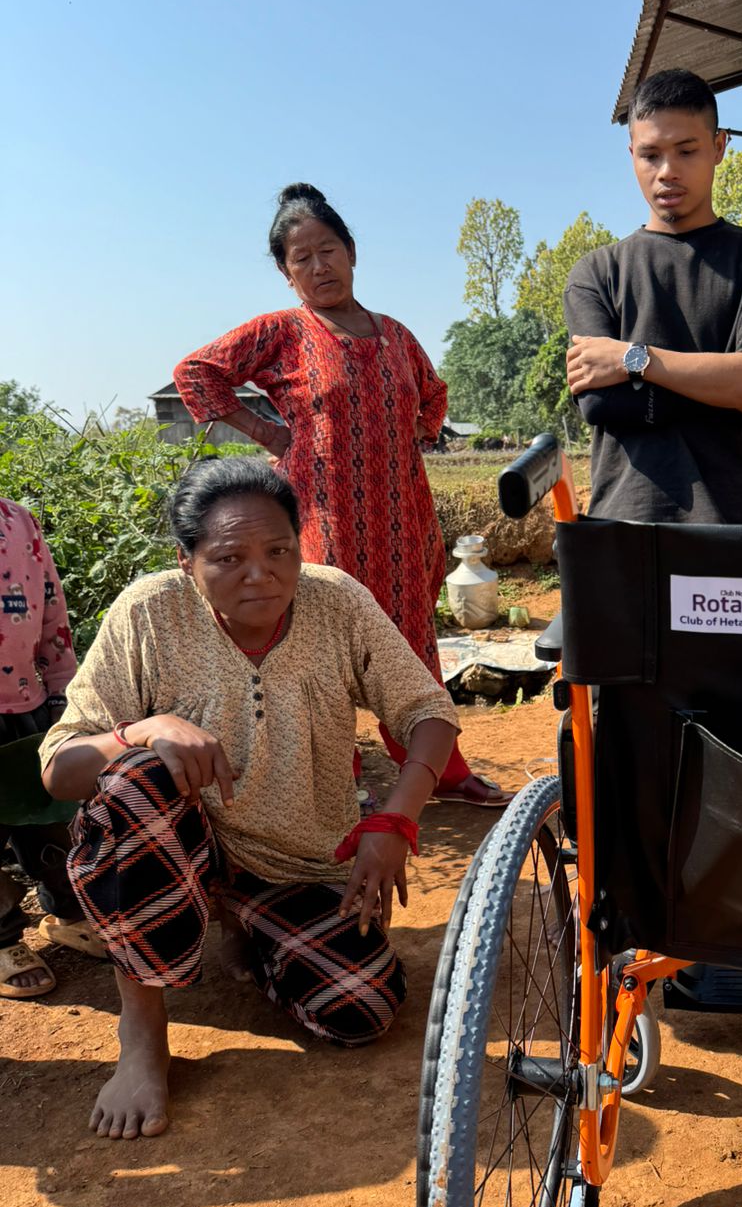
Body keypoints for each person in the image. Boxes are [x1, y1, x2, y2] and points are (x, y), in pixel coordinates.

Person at [40, 457, 460, 1139]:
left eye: (279, 551)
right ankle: (143, 1032)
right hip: (177, 850)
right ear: (186, 561)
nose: (260, 573)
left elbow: (428, 715)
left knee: (360, 1010)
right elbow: (60, 771)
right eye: (229, 556)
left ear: (302, 546)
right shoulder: (150, 612)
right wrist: (143, 729)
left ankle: (247, 927)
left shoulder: (336, 603)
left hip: (298, 861)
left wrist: (395, 818)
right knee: (133, 779)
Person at [172, 183, 508, 805]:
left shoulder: (397, 336)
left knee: (411, 642)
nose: (318, 266)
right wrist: (267, 431)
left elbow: (432, 395)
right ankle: (334, 781)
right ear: (285, 272)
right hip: (322, 522)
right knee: (322, 646)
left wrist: (409, 437)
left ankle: (442, 771)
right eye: (301, 258)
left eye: (328, 250)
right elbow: (196, 372)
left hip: (403, 520)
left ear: (352, 253)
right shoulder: (282, 331)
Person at [564, 68, 742, 525]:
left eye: (687, 150)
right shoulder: (597, 274)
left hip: (732, 532)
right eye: (650, 155)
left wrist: (633, 360)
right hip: (623, 530)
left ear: (719, 147)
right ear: (631, 154)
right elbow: (600, 404)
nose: (667, 172)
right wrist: (736, 389)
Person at [0, 497, 103, 997]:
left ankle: (66, 913)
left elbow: (50, 610)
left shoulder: (17, 521)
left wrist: (65, 689)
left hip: (27, 708)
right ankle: (2, 939)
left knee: (49, 823)